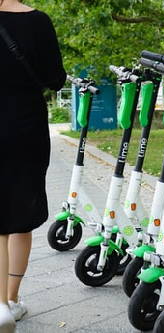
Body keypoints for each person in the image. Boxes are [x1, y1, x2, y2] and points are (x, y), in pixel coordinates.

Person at [0, 0, 66, 331]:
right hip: (26, 127)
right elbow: (55, 79)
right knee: (19, 216)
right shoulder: (38, 21)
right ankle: (10, 300)